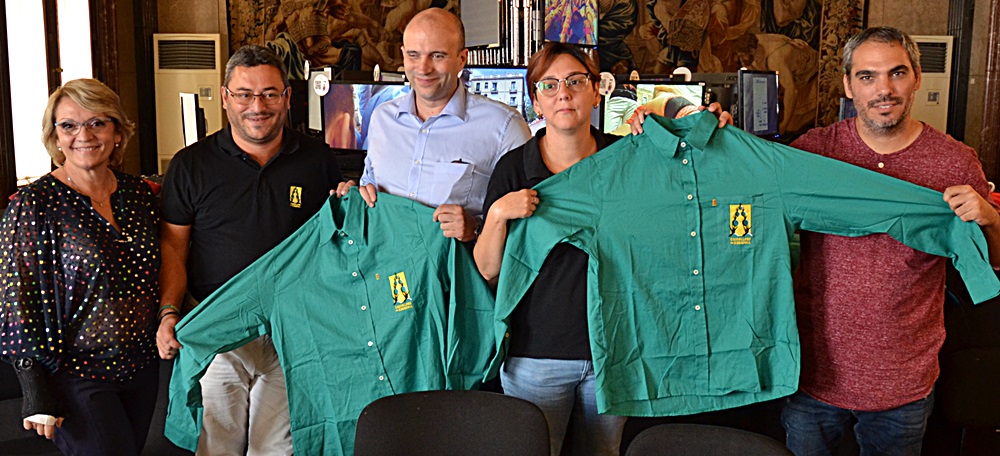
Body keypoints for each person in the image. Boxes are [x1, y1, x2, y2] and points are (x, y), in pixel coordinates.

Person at [780, 27, 1000, 455]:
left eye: (897, 73)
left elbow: (995, 262)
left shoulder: (954, 161)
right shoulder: (812, 153)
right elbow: (737, 187)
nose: (884, 89)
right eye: (867, 76)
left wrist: (991, 220)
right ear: (848, 85)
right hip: (811, 377)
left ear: (917, 77)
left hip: (903, 384)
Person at [155, 45, 343, 455]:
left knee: (278, 448)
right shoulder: (190, 165)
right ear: (225, 98)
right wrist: (169, 311)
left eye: (269, 94)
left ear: (288, 98)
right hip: (217, 330)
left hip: (291, 333)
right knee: (215, 445)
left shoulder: (317, 160)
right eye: (244, 94)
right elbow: (173, 246)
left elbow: (335, 243)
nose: (257, 106)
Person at [472, 42, 625, 456]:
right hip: (534, 356)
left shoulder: (624, 158)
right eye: (550, 84)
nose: (564, 93)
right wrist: (500, 214)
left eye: (576, 81)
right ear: (535, 99)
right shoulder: (514, 168)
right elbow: (487, 269)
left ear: (597, 91)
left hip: (612, 350)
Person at [0, 78, 160, 455]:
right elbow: (16, 303)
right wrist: (35, 392)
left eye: (97, 122)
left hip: (142, 369)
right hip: (75, 373)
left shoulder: (140, 194)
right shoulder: (33, 205)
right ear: (54, 136)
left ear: (117, 133)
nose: (83, 135)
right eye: (68, 125)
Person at [335, 7, 532, 242]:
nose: (423, 68)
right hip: (383, 271)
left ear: (462, 60)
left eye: (437, 56)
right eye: (414, 55)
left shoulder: (505, 127)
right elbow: (370, 185)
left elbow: (528, 226)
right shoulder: (381, 118)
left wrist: (477, 229)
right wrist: (356, 194)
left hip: (454, 275)